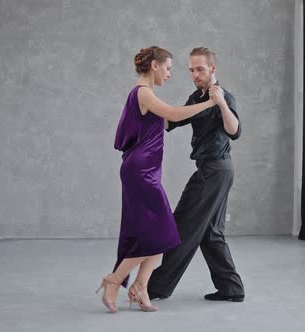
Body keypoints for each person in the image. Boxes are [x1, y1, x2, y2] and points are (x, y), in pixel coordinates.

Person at [96, 46, 226, 313]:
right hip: (140, 173)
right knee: (159, 232)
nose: (169, 74)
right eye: (168, 68)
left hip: (147, 171)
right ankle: (114, 280)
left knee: (164, 234)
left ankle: (141, 287)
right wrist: (212, 102)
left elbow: (165, 123)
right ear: (154, 66)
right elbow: (174, 115)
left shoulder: (148, 94)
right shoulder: (142, 93)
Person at [147, 47, 245, 303]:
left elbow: (234, 130)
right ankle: (231, 289)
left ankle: (156, 287)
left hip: (216, 169)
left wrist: (221, 102)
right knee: (211, 233)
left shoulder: (224, 96)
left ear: (213, 68)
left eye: (200, 69)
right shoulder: (196, 97)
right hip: (212, 170)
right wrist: (147, 112)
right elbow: (173, 121)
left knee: (183, 226)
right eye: (191, 70)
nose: (195, 74)